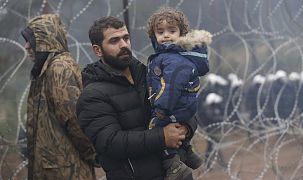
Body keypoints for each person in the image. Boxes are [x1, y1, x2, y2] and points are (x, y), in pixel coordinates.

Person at [76, 16, 197, 180]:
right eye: (114, 41)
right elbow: (110, 142)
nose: (124, 45)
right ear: (98, 50)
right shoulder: (92, 95)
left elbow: (184, 106)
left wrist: (185, 128)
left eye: (126, 38)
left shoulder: (150, 75)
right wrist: (162, 137)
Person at [21, 14, 96, 179]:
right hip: (54, 170)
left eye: (32, 40)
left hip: (68, 171)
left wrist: (93, 155)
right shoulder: (45, 69)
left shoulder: (60, 68)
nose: (26, 46)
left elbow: (74, 120)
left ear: (46, 40)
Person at [146, 7, 212, 180]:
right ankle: (188, 152)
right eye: (160, 32)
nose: (166, 35)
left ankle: (173, 165)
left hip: (173, 107)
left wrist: (160, 109)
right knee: (174, 130)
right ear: (154, 36)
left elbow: (170, 87)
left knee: (155, 131)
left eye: (172, 31)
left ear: (182, 34)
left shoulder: (173, 59)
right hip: (183, 108)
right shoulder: (172, 56)